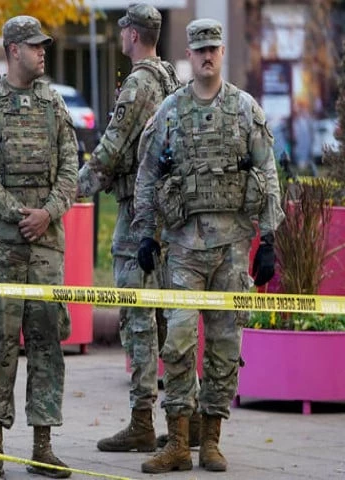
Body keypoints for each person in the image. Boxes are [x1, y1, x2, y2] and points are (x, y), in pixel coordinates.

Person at [133, 19, 284, 473]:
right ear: (189, 53)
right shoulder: (170, 111)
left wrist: (269, 238)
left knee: (223, 346)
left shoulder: (244, 109)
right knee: (177, 342)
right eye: (199, 50)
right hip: (182, 247)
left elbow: (268, 172)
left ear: (222, 53)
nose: (206, 57)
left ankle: (212, 441)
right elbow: (147, 175)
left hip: (233, 249)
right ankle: (178, 441)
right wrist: (146, 232)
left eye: (213, 49)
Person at [0, 15, 78, 479]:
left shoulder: (54, 104)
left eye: (43, 46)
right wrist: (17, 213)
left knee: (47, 342)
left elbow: (72, 166)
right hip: (3, 247)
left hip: (46, 247)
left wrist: (48, 212)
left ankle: (42, 447)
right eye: (34, 46)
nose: (42, 52)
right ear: (13, 50)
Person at [77, 4, 196, 454]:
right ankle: (189, 418)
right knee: (169, 315)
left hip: (138, 214)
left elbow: (110, 150)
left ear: (132, 35)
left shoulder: (141, 83)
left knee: (137, 313)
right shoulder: (169, 77)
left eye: (122, 29)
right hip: (169, 215)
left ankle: (142, 419)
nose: (119, 35)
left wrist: (72, 191)